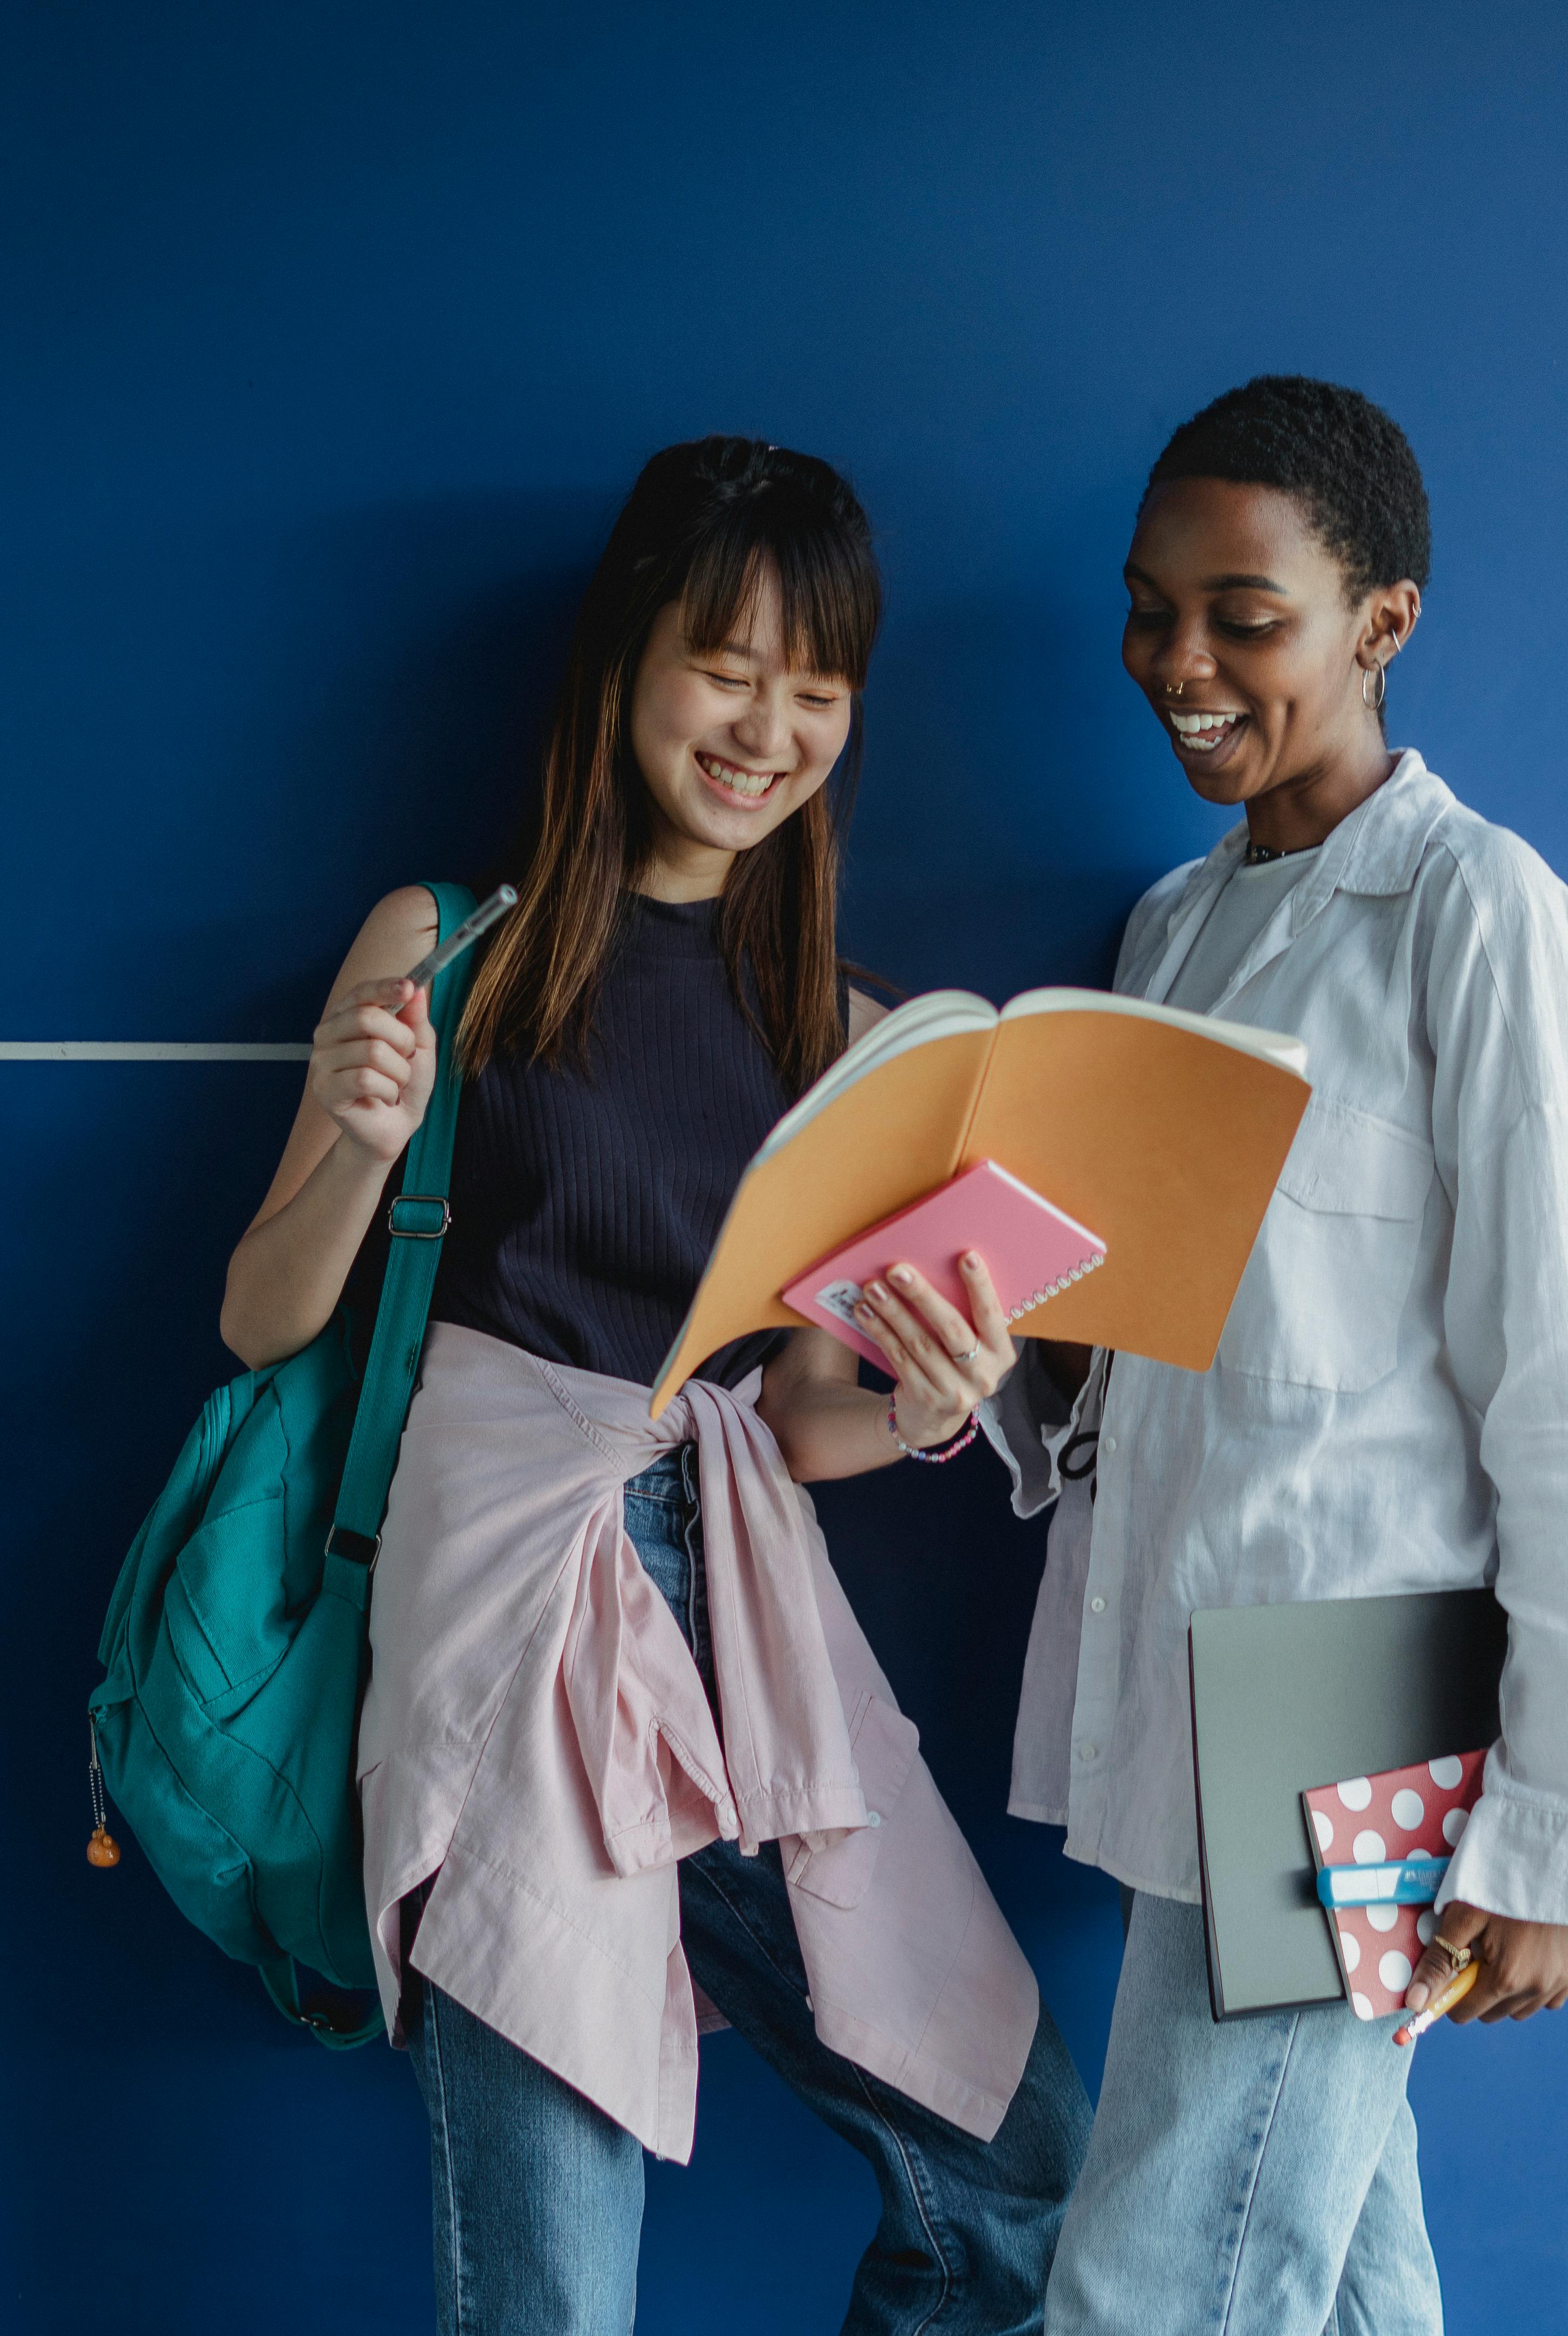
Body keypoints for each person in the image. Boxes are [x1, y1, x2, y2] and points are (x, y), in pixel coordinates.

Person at [221, 435, 1091, 2336]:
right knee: (553, 2296)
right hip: (510, 1619)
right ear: (628, 656)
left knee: (1018, 2169)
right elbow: (262, 1318)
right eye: (729, 665)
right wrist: (361, 1150)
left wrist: (936, 1395)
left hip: (744, 1620)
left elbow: (789, 1420)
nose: (769, 727)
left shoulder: (847, 1034)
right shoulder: (454, 948)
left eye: (819, 685)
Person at [983, 377, 1568, 2335]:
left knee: (1158, 2295)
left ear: (1381, 621)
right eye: (1150, 610)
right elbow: (1150, 1367)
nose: (1182, 664)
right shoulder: (1167, 934)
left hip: (1361, 1724)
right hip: (1207, 1696)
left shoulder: (1480, 913)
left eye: (1245, 614)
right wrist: (991, 1341)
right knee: (1338, 2277)